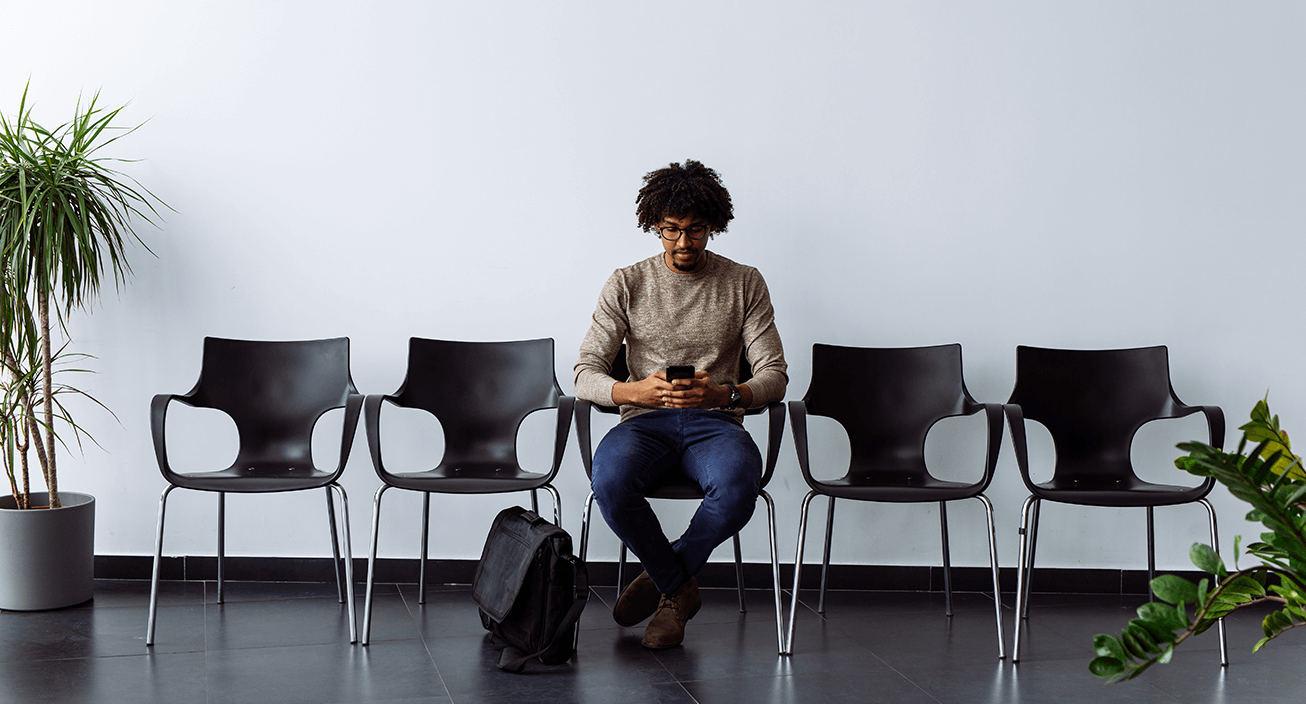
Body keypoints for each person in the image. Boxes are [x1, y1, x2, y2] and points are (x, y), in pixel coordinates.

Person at [573, 159, 787, 648]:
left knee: (737, 487)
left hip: (716, 423)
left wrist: (727, 393)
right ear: (655, 227)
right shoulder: (627, 283)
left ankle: (663, 577)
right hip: (644, 423)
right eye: (671, 231)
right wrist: (635, 391)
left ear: (713, 226)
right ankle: (679, 587)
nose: (683, 243)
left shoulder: (744, 282)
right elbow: (585, 373)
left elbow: (775, 375)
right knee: (609, 481)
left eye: (695, 231)